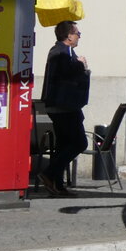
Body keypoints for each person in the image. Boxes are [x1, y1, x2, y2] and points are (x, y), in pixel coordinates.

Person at [39, 20, 90, 197]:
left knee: (63, 145)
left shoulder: (61, 51)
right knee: (79, 142)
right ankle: (49, 173)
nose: (79, 36)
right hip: (64, 106)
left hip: (60, 105)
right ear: (68, 36)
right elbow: (67, 72)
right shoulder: (62, 52)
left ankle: (57, 185)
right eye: (77, 33)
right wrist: (81, 64)